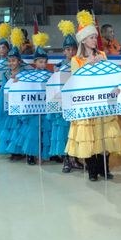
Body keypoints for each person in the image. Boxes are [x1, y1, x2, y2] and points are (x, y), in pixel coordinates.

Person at [65, 10, 121, 181]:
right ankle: (92, 169)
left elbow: (108, 75)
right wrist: (88, 65)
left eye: (94, 37)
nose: (94, 40)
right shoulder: (76, 60)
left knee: (103, 134)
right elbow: (76, 81)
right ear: (83, 39)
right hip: (86, 103)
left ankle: (104, 168)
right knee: (89, 136)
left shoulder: (102, 55)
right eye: (90, 37)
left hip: (102, 102)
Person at [50, 20, 83, 173]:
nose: (70, 52)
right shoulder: (59, 66)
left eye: (72, 49)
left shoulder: (80, 63)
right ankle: (66, 160)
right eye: (67, 50)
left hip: (75, 102)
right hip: (63, 104)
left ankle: (75, 158)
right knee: (64, 132)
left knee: (75, 131)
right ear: (64, 51)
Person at [17, 34, 51, 165]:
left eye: (44, 62)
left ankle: (43, 153)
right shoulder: (28, 75)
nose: (43, 64)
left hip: (44, 107)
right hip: (33, 107)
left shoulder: (50, 75)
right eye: (40, 62)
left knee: (44, 130)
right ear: (35, 62)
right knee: (32, 131)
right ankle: (31, 154)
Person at [0, 29, 30, 159]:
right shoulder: (6, 74)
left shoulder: (25, 72)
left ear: (19, 62)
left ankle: (21, 150)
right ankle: (13, 151)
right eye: (9, 61)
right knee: (11, 127)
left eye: (14, 61)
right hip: (10, 103)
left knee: (20, 127)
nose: (11, 63)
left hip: (21, 105)